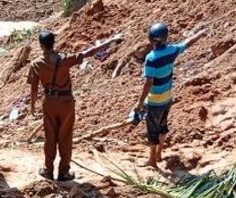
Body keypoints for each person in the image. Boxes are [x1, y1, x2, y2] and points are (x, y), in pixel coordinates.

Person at [29, 30, 123, 181]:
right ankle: (64, 172)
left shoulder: (36, 64)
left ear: (41, 45)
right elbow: (89, 52)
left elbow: (34, 88)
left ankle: (48, 170)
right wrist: (112, 40)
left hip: (49, 102)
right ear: (53, 43)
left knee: (50, 136)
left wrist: (33, 106)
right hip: (66, 102)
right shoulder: (65, 58)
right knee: (65, 136)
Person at [133, 22, 208, 169]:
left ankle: (152, 161)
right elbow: (187, 43)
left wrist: (140, 102)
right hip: (167, 98)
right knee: (162, 126)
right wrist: (200, 34)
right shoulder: (172, 51)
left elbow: (148, 82)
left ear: (150, 39)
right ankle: (159, 154)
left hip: (154, 101)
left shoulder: (151, 58)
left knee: (152, 130)